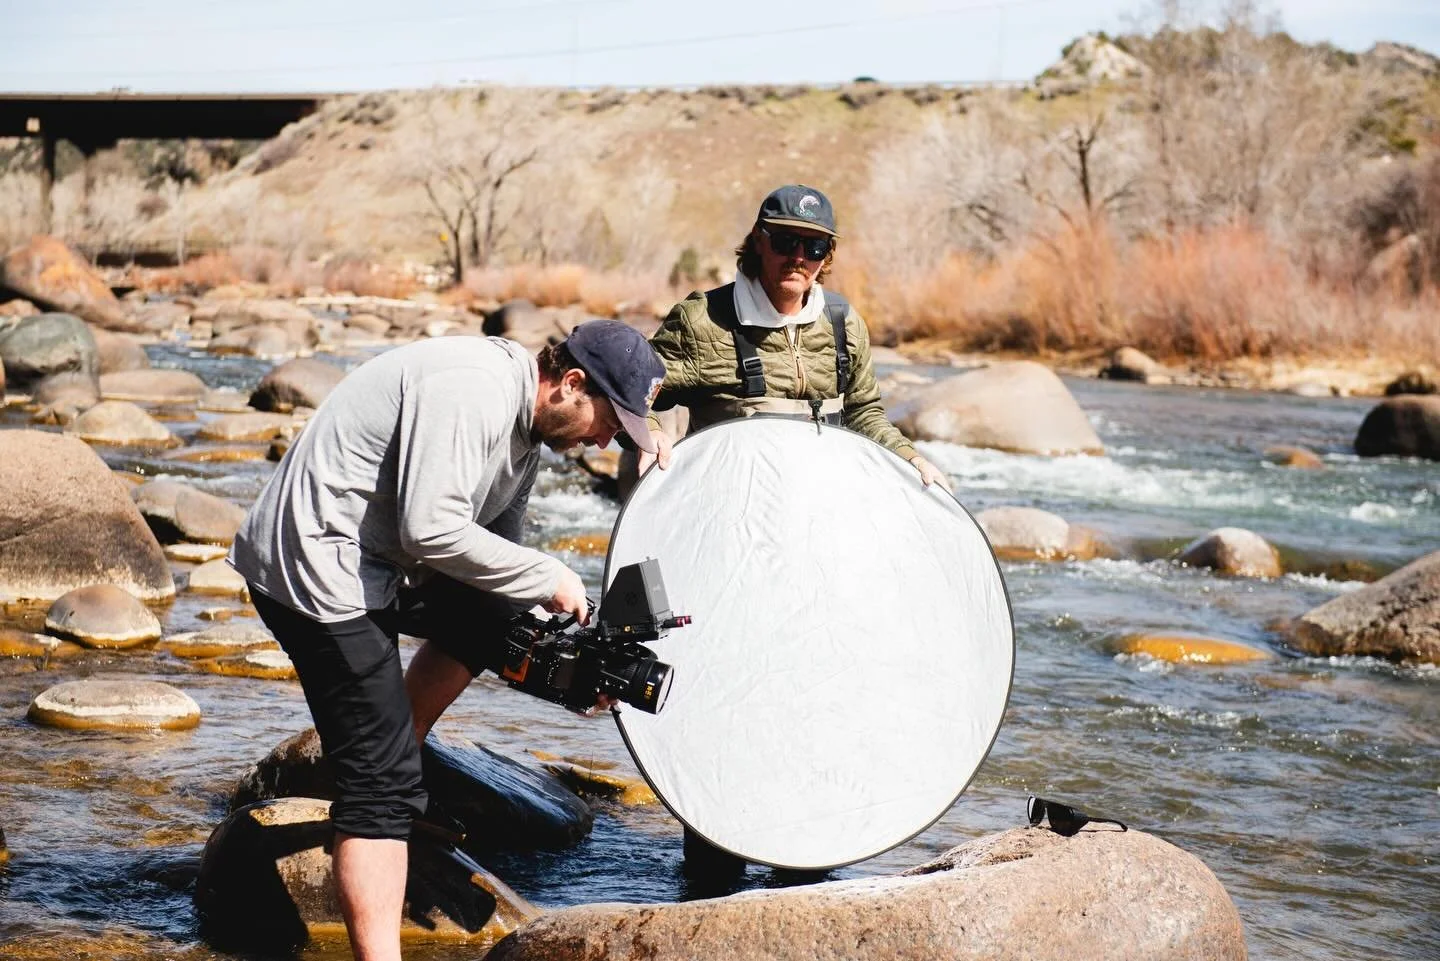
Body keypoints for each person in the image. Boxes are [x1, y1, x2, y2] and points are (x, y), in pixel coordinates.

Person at [228, 321, 666, 961]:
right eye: (609, 423)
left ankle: (392, 763)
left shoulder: (526, 434)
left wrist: (572, 668)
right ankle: (379, 810)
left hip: (379, 559)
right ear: (571, 384)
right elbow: (430, 530)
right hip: (316, 565)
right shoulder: (473, 390)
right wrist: (550, 574)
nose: (605, 442)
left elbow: (493, 573)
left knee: (491, 612)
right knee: (379, 791)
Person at [635, 183, 950, 493]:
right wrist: (649, 434)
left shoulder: (844, 323)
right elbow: (630, 388)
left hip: (817, 509)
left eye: (814, 248)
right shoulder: (701, 321)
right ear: (759, 240)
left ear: (826, 257)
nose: (799, 257)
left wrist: (911, 459)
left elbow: (863, 414)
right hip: (726, 509)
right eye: (786, 242)